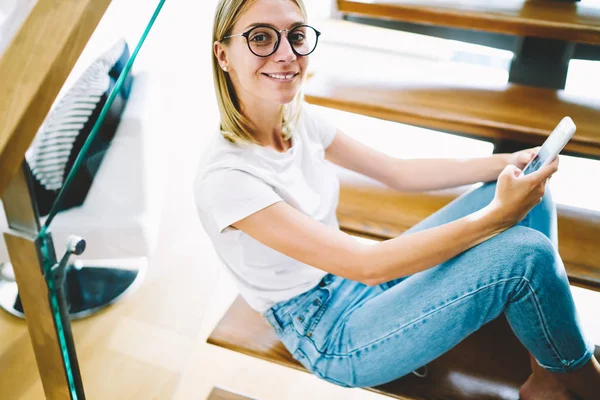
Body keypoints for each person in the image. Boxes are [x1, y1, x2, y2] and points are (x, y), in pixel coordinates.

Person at [194, 0, 600, 398]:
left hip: (355, 282)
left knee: (534, 201)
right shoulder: (228, 179)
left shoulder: (298, 120)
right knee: (526, 253)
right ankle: (587, 381)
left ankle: (546, 375)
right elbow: (366, 265)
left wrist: (506, 162)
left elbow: (398, 171)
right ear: (223, 54)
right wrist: (496, 217)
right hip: (329, 332)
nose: (286, 54)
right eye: (261, 38)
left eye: (296, 36)